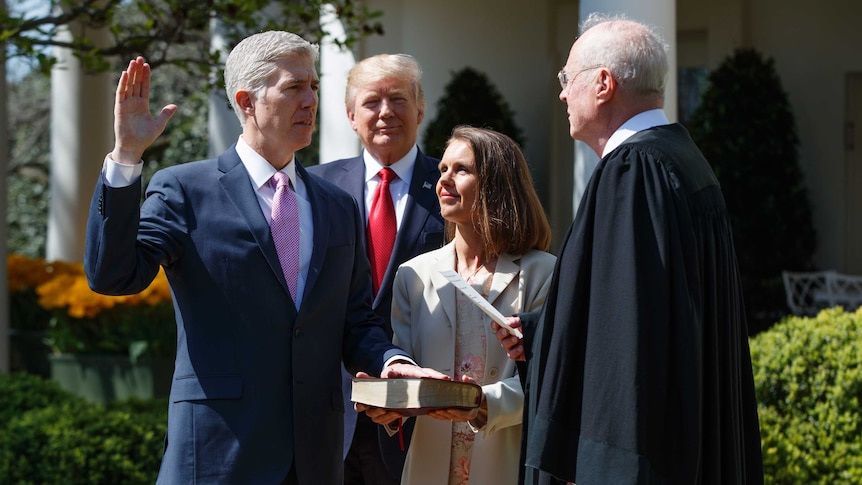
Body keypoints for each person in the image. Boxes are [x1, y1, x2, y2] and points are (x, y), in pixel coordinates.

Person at [84, 31, 447, 484]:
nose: (311, 100)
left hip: (316, 457)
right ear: (247, 100)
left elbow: (355, 321)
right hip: (220, 453)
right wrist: (128, 157)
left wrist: (391, 361)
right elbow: (114, 275)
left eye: (313, 87)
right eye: (294, 87)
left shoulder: (337, 205)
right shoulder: (184, 189)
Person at [493, 13, 765, 485]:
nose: (561, 93)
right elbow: (649, 313)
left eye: (567, 78)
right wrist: (544, 334)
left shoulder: (634, 171)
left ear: (603, 83)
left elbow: (628, 344)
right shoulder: (681, 158)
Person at [360, 125, 557, 484]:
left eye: (461, 170)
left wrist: (483, 403)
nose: (444, 181)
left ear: (497, 184)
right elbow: (410, 373)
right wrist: (389, 404)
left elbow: (553, 380)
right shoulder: (413, 275)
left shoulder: (545, 272)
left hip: (506, 464)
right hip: (429, 468)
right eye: (442, 170)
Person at [307, 53, 444, 485]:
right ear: (350, 115)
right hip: (330, 408)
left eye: (399, 99)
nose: (385, 112)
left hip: (420, 408)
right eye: (371, 102)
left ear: (421, 109)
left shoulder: (452, 187)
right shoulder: (312, 188)